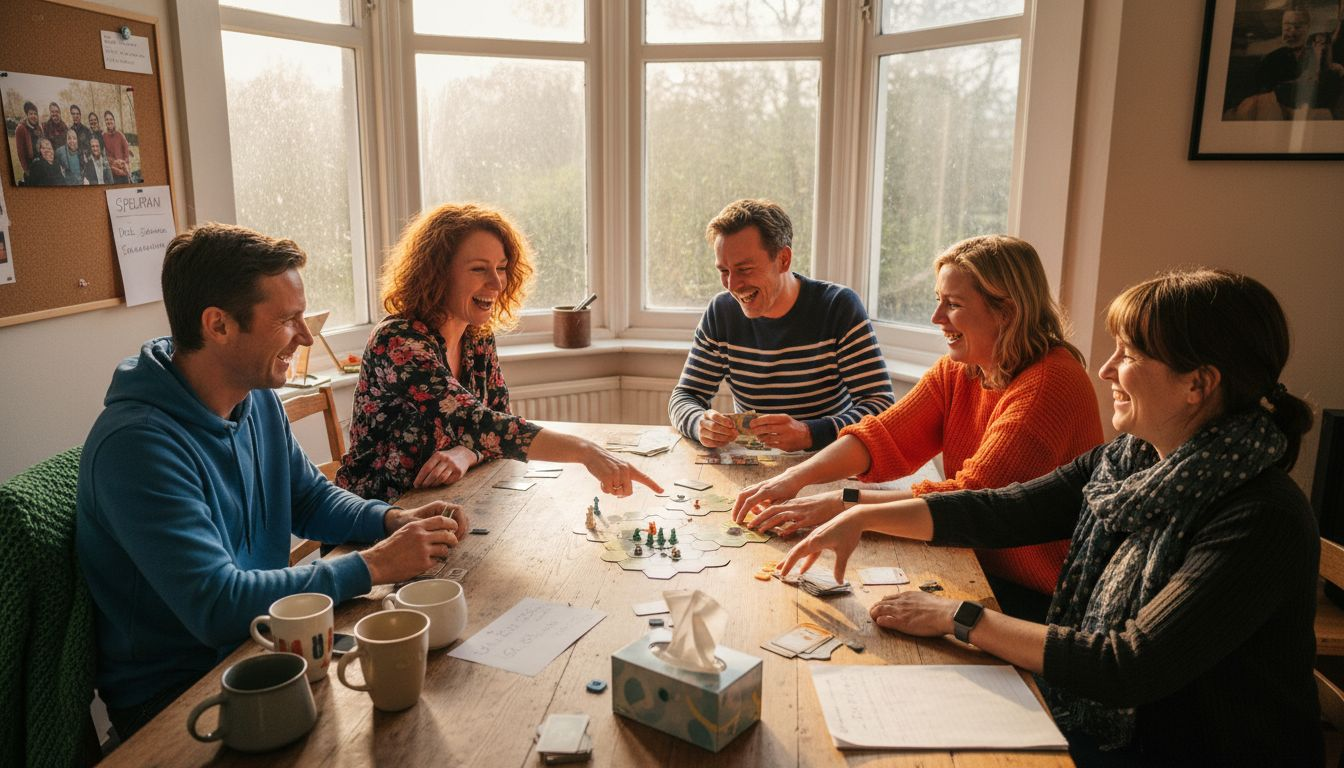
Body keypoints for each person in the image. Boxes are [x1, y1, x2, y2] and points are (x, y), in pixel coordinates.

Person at [779, 268, 1320, 765]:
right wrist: (857, 513)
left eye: (1128, 354)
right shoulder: (1128, 461)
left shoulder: (1259, 517)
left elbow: (1127, 664)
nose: (1106, 368)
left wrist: (957, 617)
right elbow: (1003, 509)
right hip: (1116, 725)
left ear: (1198, 384)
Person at [77, 223, 469, 739]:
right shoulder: (136, 446)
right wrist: (374, 564)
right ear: (218, 325)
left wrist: (391, 518)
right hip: (179, 706)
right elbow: (217, 604)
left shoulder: (254, 395)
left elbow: (306, 497)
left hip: (271, 650)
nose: (305, 336)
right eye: (287, 319)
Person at [734, 235, 1101, 620]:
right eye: (937, 299)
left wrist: (844, 504)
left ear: (1007, 311)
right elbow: (883, 437)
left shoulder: (1050, 383)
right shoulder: (963, 368)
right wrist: (794, 477)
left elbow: (967, 501)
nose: (936, 317)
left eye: (953, 305)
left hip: (1040, 598)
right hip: (974, 562)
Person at [336, 203, 663, 502]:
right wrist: (585, 451)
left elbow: (497, 417)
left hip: (441, 506)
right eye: (479, 269)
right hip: (376, 518)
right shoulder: (397, 341)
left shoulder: (476, 335)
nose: (497, 283)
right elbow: (480, 423)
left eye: (502, 267)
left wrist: (467, 454)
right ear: (437, 273)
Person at [668, 199, 895, 453]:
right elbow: (684, 397)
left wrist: (810, 433)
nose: (732, 284)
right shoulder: (721, 313)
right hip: (755, 466)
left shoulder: (838, 307)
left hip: (827, 459)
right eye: (724, 271)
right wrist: (700, 423)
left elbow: (881, 406)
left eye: (744, 269)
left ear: (784, 259)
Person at [101, 110, 132, 183]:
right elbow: (103, 155)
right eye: (107, 119)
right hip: (112, 172)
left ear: (114, 120)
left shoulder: (120, 135)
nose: (109, 121)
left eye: (111, 119)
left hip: (123, 171)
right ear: (105, 122)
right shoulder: (103, 136)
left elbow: (126, 151)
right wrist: (114, 162)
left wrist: (124, 164)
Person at [13, 102, 42, 179]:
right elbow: (20, 152)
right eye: (31, 113)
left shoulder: (38, 128)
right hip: (30, 164)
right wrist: (26, 169)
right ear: (27, 115)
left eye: (35, 114)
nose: (33, 116)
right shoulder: (21, 128)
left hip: (40, 162)